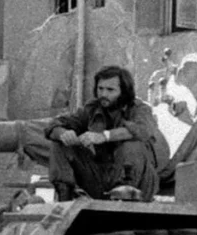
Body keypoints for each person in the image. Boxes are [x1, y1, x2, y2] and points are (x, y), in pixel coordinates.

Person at [45, 65, 165, 201]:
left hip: (137, 184)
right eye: (100, 88)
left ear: (124, 91)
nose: (103, 94)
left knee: (132, 146)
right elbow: (54, 125)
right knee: (59, 143)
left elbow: (143, 130)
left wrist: (104, 136)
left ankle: (124, 195)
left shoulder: (139, 109)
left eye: (110, 90)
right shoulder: (92, 109)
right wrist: (62, 133)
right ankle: (64, 195)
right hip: (102, 179)